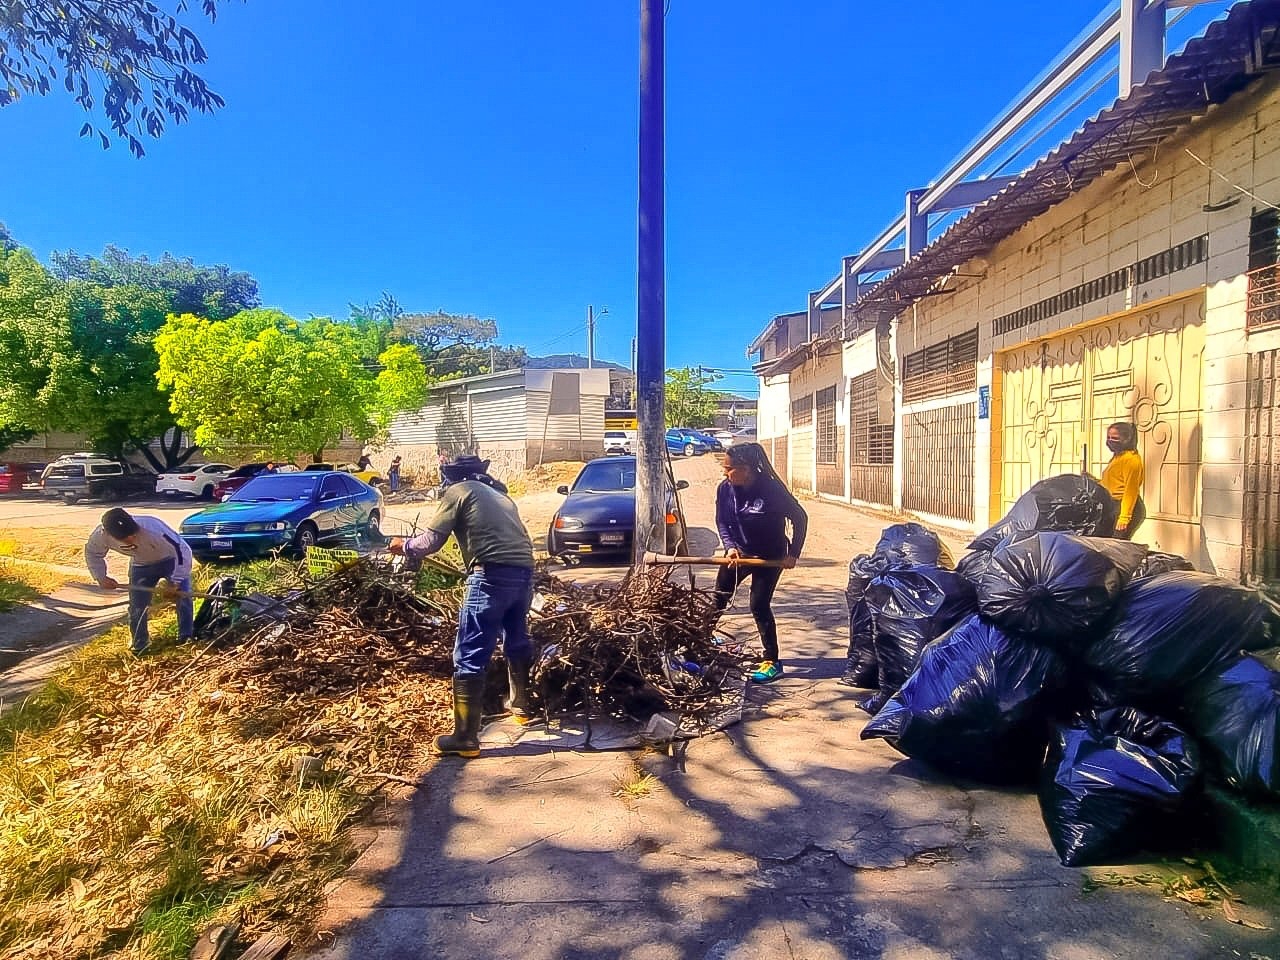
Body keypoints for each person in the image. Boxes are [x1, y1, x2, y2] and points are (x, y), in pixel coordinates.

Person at [387, 454, 534, 758]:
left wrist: (404, 546)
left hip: (490, 576)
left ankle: (465, 737)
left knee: (469, 652)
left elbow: (430, 542)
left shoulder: (459, 491)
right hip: (524, 575)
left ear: (452, 477)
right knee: (516, 640)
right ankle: (520, 707)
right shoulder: (502, 497)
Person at [713, 442, 807, 684]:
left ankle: (772, 661)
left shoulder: (772, 490)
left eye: (729, 468)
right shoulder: (725, 489)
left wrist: (793, 553)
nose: (725, 473)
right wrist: (730, 547)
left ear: (746, 469)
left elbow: (800, 517)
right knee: (719, 598)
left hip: (770, 556)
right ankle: (699, 641)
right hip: (740, 554)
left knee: (758, 605)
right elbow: (722, 521)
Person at [86, 508, 194, 655]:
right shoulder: (100, 536)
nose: (131, 539)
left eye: (133, 534)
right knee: (137, 606)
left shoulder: (153, 526)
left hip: (171, 560)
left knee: (184, 596)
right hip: (141, 565)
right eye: (124, 538)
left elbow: (182, 550)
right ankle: (140, 644)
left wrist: (175, 581)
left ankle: (186, 637)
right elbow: (93, 553)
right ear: (107, 533)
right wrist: (101, 577)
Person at [1100, 421, 1146, 539]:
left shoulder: (1131, 460)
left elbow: (1131, 491)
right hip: (1113, 506)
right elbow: (1113, 483)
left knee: (1117, 547)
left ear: (1126, 439)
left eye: (1115, 438)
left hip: (1126, 508)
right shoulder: (1117, 457)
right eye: (1108, 437)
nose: (1110, 441)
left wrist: (1124, 518)